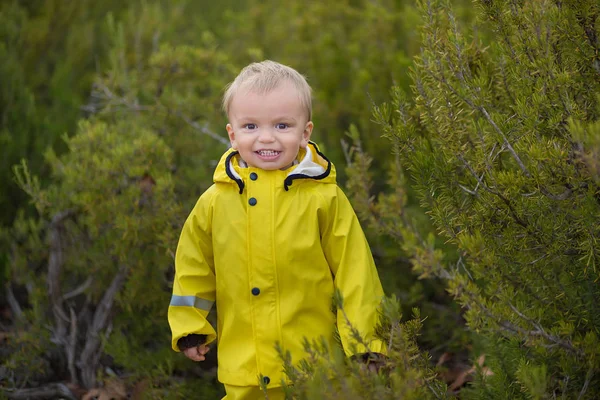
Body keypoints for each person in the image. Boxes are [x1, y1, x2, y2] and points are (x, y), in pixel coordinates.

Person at [168, 60, 385, 400]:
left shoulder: (324, 198)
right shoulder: (214, 202)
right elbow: (194, 268)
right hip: (244, 366)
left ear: (305, 132)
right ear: (232, 133)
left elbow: (355, 272)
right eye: (251, 125)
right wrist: (190, 326)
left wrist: (365, 341)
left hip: (314, 365)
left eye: (283, 125)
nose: (266, 137)